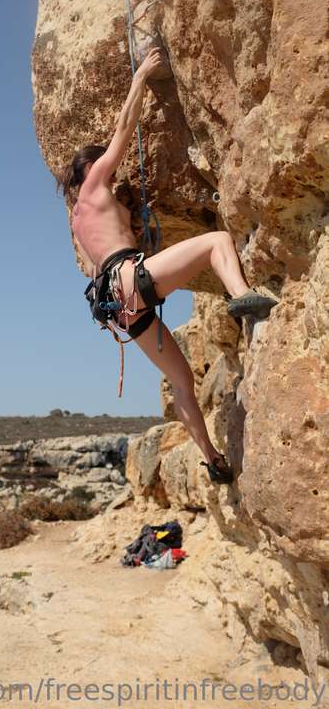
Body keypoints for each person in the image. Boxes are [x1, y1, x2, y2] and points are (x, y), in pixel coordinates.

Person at [57, 47, 278, 484]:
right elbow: (124, 129)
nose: (113, 177)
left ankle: (213, 460)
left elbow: (92, 266)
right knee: (217, 241)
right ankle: (242, 298)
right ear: (91, 168)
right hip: (130, 278)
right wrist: (140, 77)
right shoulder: (96, 181)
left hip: (120, 308)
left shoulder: (78, 221)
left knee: (181, 382)